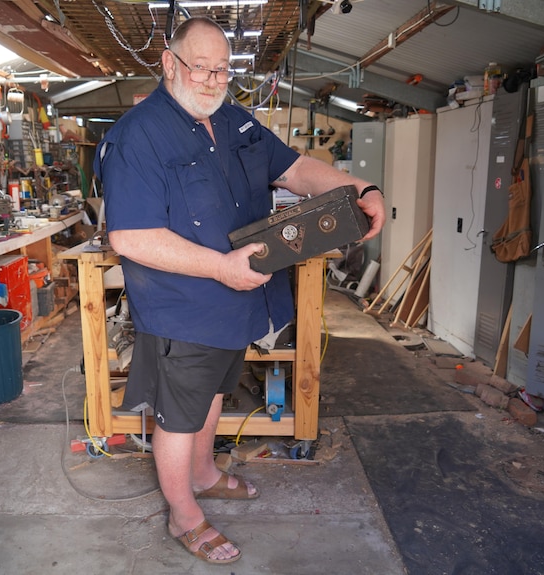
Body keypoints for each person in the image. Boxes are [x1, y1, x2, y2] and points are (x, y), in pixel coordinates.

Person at [93, 16, 384, 565]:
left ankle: (203, 474)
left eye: (221, 70)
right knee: (179, 414)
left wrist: (361, 187)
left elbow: (296, 170)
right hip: (183, 307)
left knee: (214, 395)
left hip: (237, 300)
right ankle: (184, 513)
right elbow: (131, 237)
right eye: (199, 67)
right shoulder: (139, 135)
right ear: (168, 63)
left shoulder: (234, 122)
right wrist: (221, 267)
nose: (210, 80)